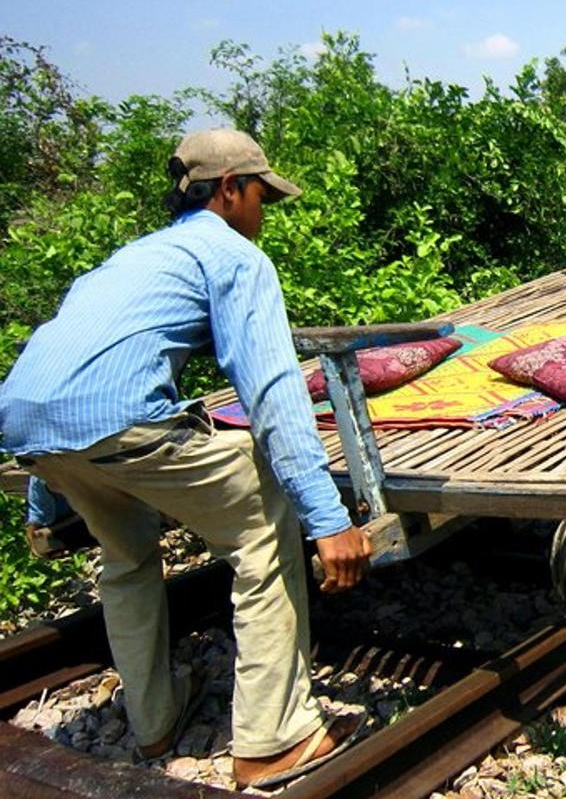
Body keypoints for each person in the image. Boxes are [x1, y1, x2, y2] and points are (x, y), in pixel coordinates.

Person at [0, 128, 371, 789]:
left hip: (31, 430)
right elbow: (272, 387)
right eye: (262, 197)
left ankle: (154, 723)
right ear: (230, 189)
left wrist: (45, 504)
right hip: (116, 426)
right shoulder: (231, 255)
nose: (264, 215)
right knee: (263, 519)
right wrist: (326, 517)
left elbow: (55, 378)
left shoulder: (131, 258)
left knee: (127, 550)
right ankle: (273, 739)